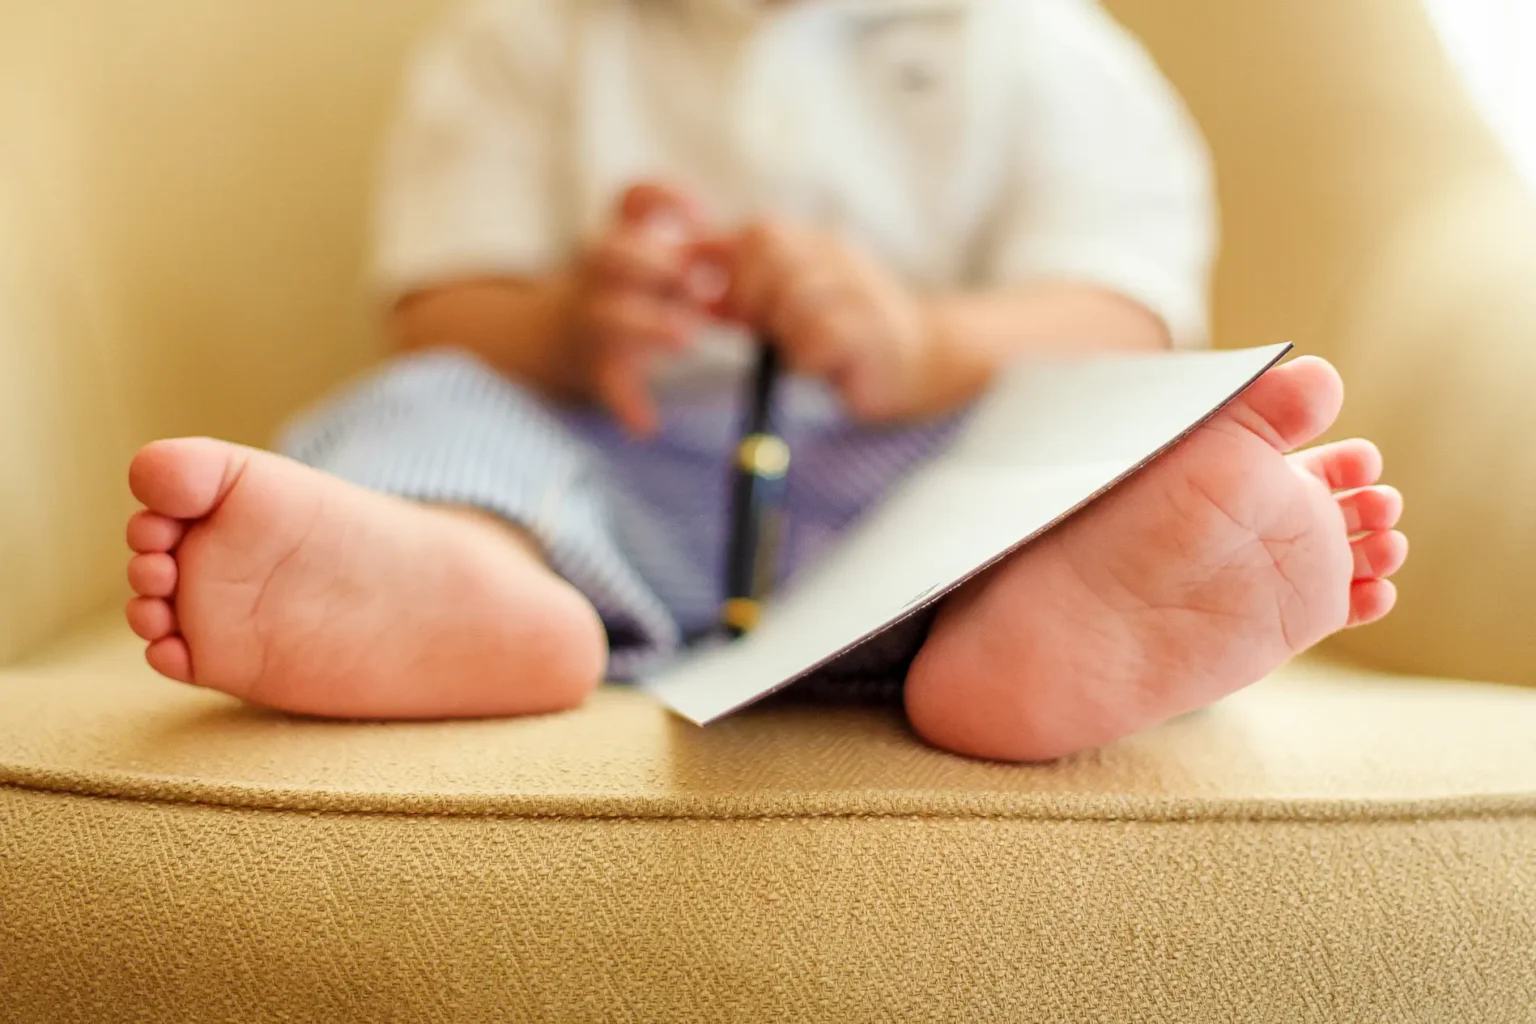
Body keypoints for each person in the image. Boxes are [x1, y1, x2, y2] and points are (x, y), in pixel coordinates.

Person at [120, 0, 1406, 761]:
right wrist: (571, 326)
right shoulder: (527, 33)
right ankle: (468, 576)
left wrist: (923, 345)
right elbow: (437, 309)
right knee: (430, 409)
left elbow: (1124, 314)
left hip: (902, 489)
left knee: (1067, 445)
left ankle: (1025, 630)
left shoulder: (1039, 46)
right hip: (597, 473)